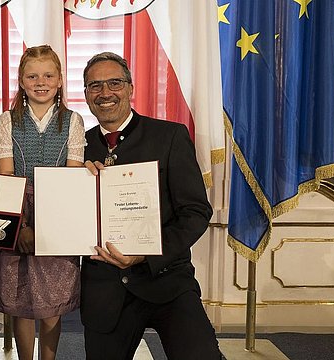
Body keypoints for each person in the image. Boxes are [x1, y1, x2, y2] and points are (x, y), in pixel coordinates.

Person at [81, 52, 221, 360]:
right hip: (105, 290)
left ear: (131, 88)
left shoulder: (169, 136)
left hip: (167, 279)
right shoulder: (77, 146)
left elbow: (196, 212)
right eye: (95, 86)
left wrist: (146, 253)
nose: (105, 93)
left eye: (114, 83)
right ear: (87, 94)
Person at [0, 45, 86, 360]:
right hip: (14, 208)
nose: (40, 82)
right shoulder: (7, 120)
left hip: (58, 209)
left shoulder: (72, 120)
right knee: (20, 296)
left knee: (53, 295)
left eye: (48, 75)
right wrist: (22, 227)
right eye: (32, 75)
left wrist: (47, 225)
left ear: (59, 81)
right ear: (21, 81)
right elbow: (7, 177)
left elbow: (71, 179)